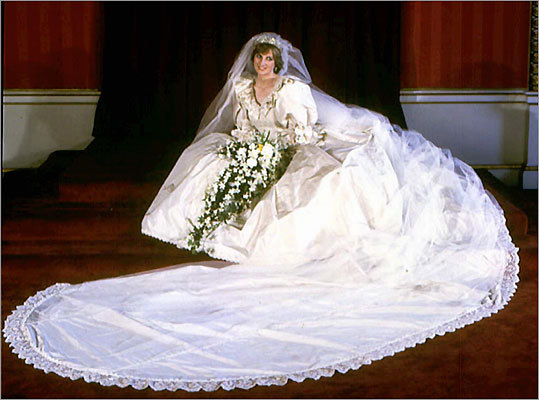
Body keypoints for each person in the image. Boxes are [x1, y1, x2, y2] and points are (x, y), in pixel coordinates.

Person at [4, 33, 519, 392]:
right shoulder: (244, 90)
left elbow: (301, 132)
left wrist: (275, 151)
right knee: (213, 161)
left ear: (280, 62)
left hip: (312, 138)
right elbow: (244, 126)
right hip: (268, 147)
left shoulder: (295, 91)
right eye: (260, 61)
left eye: (271, 60)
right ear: (253, 64)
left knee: (318, 185)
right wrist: (248, 150)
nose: (265, 67)